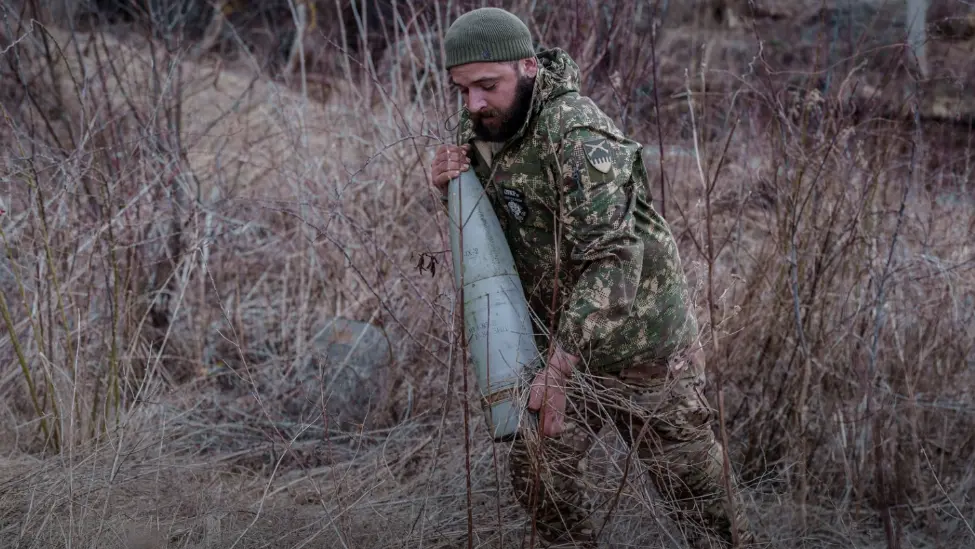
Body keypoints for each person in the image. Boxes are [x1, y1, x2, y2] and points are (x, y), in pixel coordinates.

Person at [429, 7, 755, 549]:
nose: (475, 104)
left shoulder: (576, 129)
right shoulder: (482, 125)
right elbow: (497, 226)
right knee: (537, 473)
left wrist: (556, 370)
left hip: (640, 343)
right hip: (564, 340)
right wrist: (450, 189)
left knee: (700, 504)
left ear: (529, 66)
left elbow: (613, 256)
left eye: (487, 86)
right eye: (461, 90)